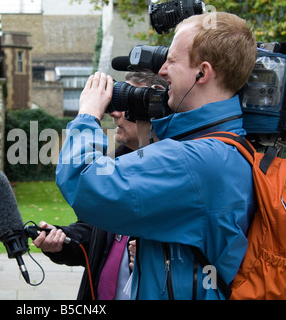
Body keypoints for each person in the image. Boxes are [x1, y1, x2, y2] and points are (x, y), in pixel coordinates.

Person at [55, 12, 258, 300]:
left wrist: (88, 114)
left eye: (172, 61)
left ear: (202, 72)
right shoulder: (231, 145)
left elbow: (85, 184)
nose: (162, 71)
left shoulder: (193, 161)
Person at [34, 71, 167, 300]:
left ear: (153, 105)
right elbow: (94, 235)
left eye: (125, 103)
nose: (114, 113)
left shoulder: (174, 170)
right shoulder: (116, 164)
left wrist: (157, 260)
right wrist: (63, 240)